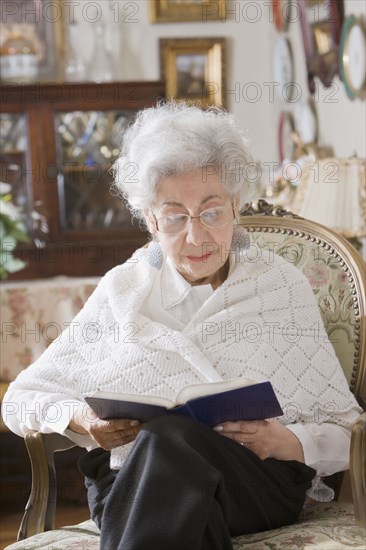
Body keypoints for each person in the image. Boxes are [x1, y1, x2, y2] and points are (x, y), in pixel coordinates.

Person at [3, 101, 362, 550]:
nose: (196, 237)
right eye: (175, 217)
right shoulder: (123, 289)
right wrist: (81, 419)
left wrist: (291, 440)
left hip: (252, 483)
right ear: (151, 221)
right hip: (130, 485)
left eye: (211, 212)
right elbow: (20, 399)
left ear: (235, 206)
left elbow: (349, 428)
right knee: (172, 471)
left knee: (170, 438)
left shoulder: (280, 286)